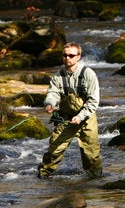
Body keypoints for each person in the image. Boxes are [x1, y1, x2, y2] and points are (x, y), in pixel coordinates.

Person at [37, 41, 103, 179]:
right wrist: (50, 104)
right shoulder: (58, 76)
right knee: (54, 149)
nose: (67, 58)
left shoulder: (88, 74)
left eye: (71, 55)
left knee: (91, 155)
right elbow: (53, 93)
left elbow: (93, 101)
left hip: (87, 118)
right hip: (65, 117)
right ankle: (42, 176)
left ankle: (95, 181)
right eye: (65, 55)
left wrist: (80, 116)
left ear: (78, 57)